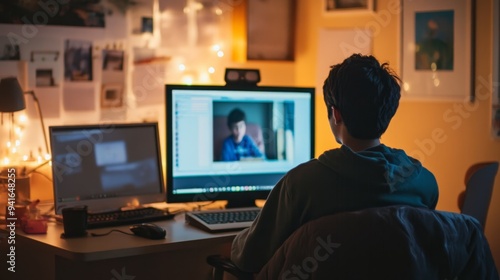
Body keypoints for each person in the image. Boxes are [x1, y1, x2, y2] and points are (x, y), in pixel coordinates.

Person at [230, 54, 439, 272]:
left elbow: (249, 257)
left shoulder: (301, 185)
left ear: (335, 114)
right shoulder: (424, 184)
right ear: (389, 111)